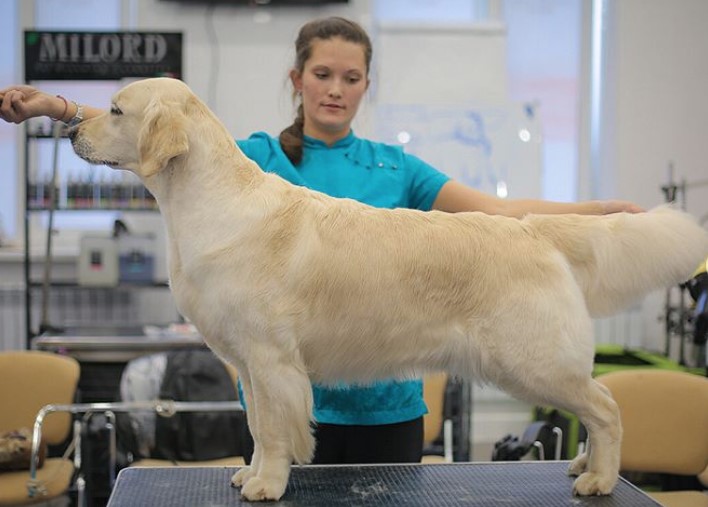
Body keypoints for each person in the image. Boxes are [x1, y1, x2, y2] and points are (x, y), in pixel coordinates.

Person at [0, 16, 643, 465]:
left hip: (388, 412)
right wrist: (57, 109)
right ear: (298, 79)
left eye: (352, 77)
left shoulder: (400, 169)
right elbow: (138, 129)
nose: (336, 88)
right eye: (324, 74)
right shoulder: (249, 165)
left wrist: (598, 212)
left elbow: (501, 214)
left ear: (366, 86)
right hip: (283, 412)